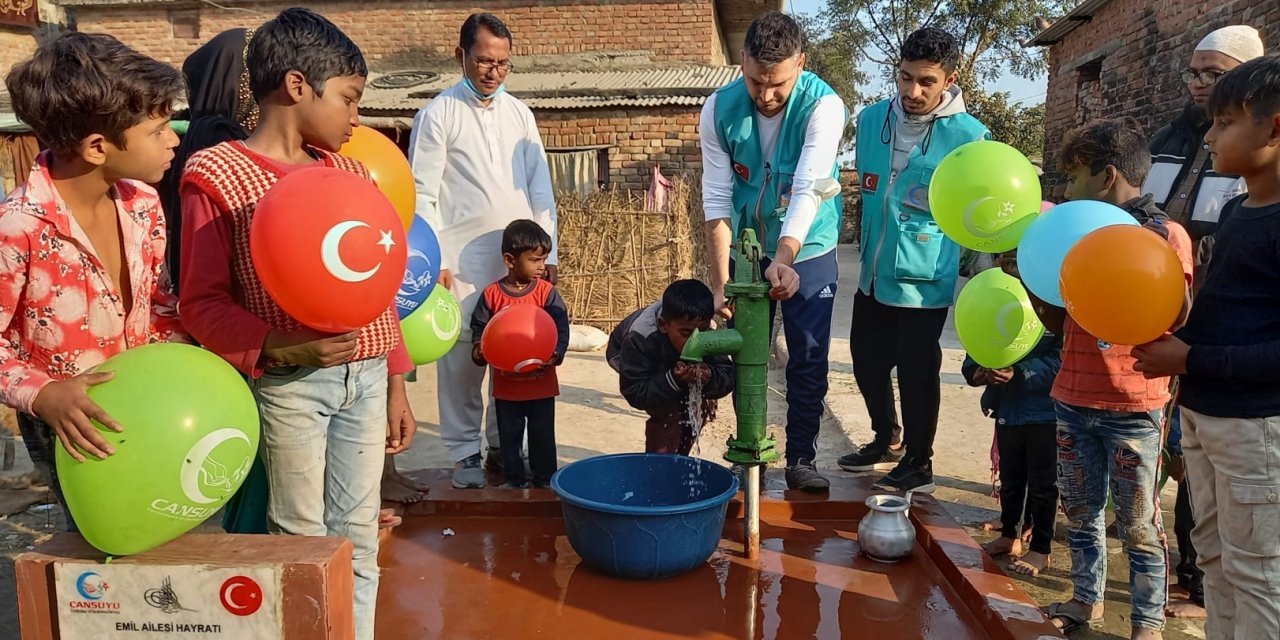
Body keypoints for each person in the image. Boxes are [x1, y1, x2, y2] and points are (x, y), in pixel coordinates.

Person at [177, 9, 415, 639]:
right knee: (299, 541)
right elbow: (201, 303)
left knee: (359, 535)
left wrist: (395, 382)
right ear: (297, 85)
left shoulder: (351, 174)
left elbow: (379, 285)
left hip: (364, 379)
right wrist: (283, 348)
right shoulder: (217, 176)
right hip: (289, 387)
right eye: (350, 98)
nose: (356, 117)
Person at [0, 33, 186, 530]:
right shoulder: (17, 226)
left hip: (150, 403)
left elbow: (161, 305)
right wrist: (43, 395)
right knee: (98, 538)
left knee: (159, 527)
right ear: (98, 146)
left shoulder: (144, 204)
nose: (174, 139)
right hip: (71, 422)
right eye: (160, 129)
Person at [1134, 54, 1280, 640]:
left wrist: (1190, 358)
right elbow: (1231, 312)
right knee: (1216, 561)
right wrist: (1178, 330)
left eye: (1225, 123)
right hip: (1204, 416)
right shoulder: (1240, 210)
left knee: (1261, 574)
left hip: (1255, 430)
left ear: (1274, 127)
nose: (1211, 137)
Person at [1042, 118, 1194, 640]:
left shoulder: (1165, 235)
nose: (1065, 191)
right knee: (1081, 513)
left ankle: (1148, 624)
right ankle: (1087, 602)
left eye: (1074, 177)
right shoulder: (1071, 233)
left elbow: (1177, 315)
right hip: (1072, 397)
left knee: (1139, 526)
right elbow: (1059, 321)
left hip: (1135, 405)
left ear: (1106, 177)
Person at [409, 12, 558, 489]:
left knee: (514, 350)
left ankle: (500, 447)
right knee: (462, 358)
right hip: (463, 265)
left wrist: (547, 252)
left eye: (503, 63)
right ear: (461, 57)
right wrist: (438, 261)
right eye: (484, 60)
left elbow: (540, 187)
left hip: (517, 262)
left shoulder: (521, 114)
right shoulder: (439, 114)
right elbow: (421, 193)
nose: (493, 71)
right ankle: (464, 452)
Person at [700, 10, 847, 491]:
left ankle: (801, 457)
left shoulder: (824, 108)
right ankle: (750, 455)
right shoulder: (718, 110)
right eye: (755, 81)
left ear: (800, 64)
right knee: (749, 352)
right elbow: (718, 198)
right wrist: (722, 281)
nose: (765, 95)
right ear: (741, 61)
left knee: (806, 353)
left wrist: (783, 261)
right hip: (749, 244)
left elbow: (807, 189)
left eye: (777, 84)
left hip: (810, 245)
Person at [838, 27, 990, 493]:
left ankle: (919, 461)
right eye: (905, 78)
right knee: (865, 360)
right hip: (873, 273)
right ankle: (887, 438)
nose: (913, 91)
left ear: (950, 79)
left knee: (917, 371)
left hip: (925, 279)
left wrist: (985, 273)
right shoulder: (870, 121)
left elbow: (983, 208)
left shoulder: (970, 137)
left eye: (926, 81)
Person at [961, 258, 1062, 576]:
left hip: (1045, 412)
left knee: (1044, 483)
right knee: (1012, 475)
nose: (1008, 264)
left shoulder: (1054, 308)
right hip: (1009, 410)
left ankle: (1041, 549)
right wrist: (976, 373)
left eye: (1016, 259)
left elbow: (1061, 361)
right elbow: (976, 344)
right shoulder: (994, 299)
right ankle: (1009, 535)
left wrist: (1020, 373)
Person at [469, 220, 569, 488]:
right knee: (509, 437)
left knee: (542, 436)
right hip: (507, 387)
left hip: (542, 385)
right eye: (535, 260)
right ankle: (513, 480)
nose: (541, 266)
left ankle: (545, 481)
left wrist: (556, 354)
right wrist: (479, 349)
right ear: (510, 260)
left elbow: (561, 327)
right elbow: (479, 327)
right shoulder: (492, 295)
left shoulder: (547, 293)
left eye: (544, 260)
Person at [607, 279, 735, 455]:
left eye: (702, 333)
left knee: (698, 407)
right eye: (686, 334)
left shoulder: (702, 329)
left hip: (669, 349)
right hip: (624, 352)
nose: (695, 342)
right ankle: (660, 466)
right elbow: (635, 392)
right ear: (663, 325)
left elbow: (727, 373)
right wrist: (672, 380)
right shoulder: (640, 339)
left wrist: (709, 377)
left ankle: (681, 460)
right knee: (668, 411)